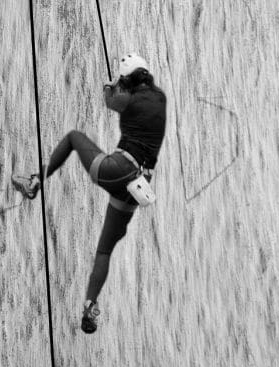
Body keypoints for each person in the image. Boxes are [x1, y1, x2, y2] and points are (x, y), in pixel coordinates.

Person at [12, 53, 167, 333]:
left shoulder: (127, 98)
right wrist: (122, 85)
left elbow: (111, 101)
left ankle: (35, 182)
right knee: (104, 249)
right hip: (137, 189)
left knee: (73, 137)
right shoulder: (160, 99)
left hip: (118, 170)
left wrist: (110, 87)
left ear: (128, 80)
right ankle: (89, 306)